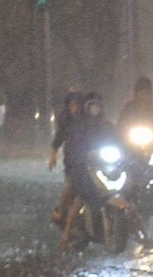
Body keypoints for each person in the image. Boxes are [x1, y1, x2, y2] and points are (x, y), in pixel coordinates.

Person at [57, 93, 120, 243]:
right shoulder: (80, 126)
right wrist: (81, 157)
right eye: (92, 105)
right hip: (85, 168)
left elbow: (118, 141)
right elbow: (74, 145)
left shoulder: (106, 125)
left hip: (105, 166)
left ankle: (142, 235)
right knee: (80, 197)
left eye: (98, 105)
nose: (95, 109)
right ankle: (65, 235)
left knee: (128, 195)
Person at [48, 91, 84, 228]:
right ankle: (62, 213)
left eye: (77, 105)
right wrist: (53, 156)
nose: (75, 108)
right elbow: (58, 139)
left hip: (89, 159)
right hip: (72, 160)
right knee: (70, 186)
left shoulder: (88, 120)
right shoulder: (66, 121)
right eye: (72, 105)